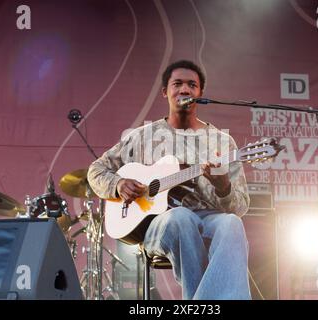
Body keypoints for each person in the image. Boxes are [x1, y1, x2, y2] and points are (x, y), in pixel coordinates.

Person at [87, 60, 251, 300]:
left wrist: (222, 185)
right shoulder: (142, 137)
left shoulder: (222, 143)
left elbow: (239, 208)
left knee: (232, 225)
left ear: (200, 93)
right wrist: (118, 185)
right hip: (158, 224)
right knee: (181, 217)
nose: (185, 89)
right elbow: (96, 170)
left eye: (192, 85)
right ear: (165, 91)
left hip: (209, 219)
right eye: (178, 84)